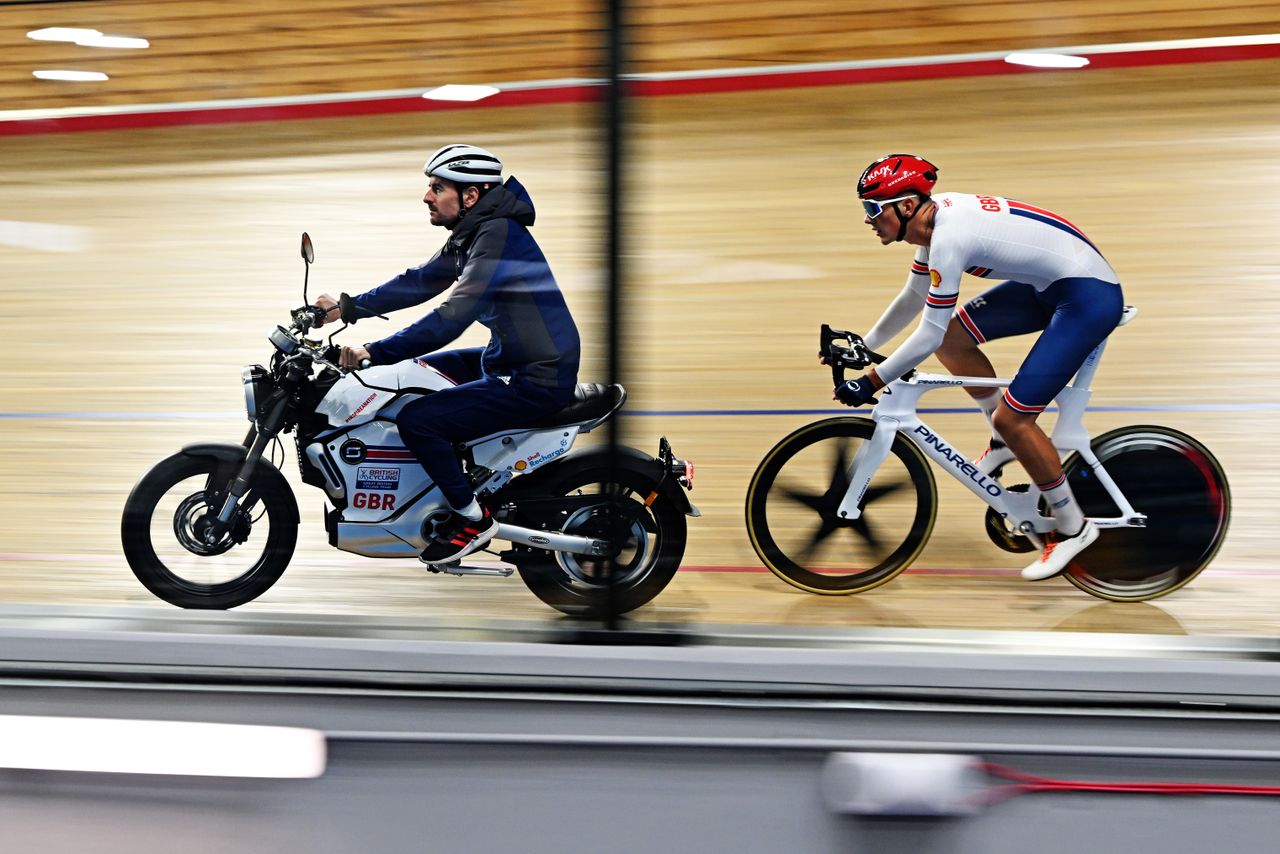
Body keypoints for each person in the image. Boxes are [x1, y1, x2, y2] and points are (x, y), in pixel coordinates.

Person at [835, 153, 1122, 581]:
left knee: (1016, 418)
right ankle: (1003, 441)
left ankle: (1073, 527)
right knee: (955, 340)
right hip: (1051, 285)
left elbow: (925, 335)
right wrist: (864, 344)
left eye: (874, 209)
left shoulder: (950, 239)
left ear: (908, 205)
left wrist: (872, 380)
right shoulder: (932, 228)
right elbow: (913, 300)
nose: (868, 219)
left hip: (1087, 298)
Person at [313, 143, 581, 564]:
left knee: (418, 420)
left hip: (534, 376)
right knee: (412, 376)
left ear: (470, 196)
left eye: (437, 188)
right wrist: (347, 308)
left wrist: (373, 352)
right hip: (508, 358)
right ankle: (461, 477)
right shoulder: (478, 229)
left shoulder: (497, 235)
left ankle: (473, 518)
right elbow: (419, 282)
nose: (427, 196)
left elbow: (452, 317)